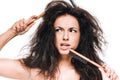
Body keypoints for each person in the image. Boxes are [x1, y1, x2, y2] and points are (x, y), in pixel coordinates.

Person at [0, 0, 119, 80]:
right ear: (50, 34)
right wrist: (12, 32)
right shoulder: (33, 70)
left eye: (72, 30)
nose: (65, 37)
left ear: (81, 36)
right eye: (59, 30)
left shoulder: (94, 75)